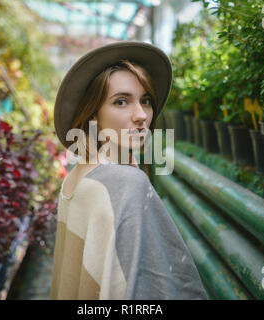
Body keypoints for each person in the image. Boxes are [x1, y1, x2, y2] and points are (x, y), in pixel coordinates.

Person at [50, 41, 207, 300]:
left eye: (146, 100)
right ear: (93, 116)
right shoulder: (127, 182)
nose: (141, 115)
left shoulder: (77, 177)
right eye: (121, 102)